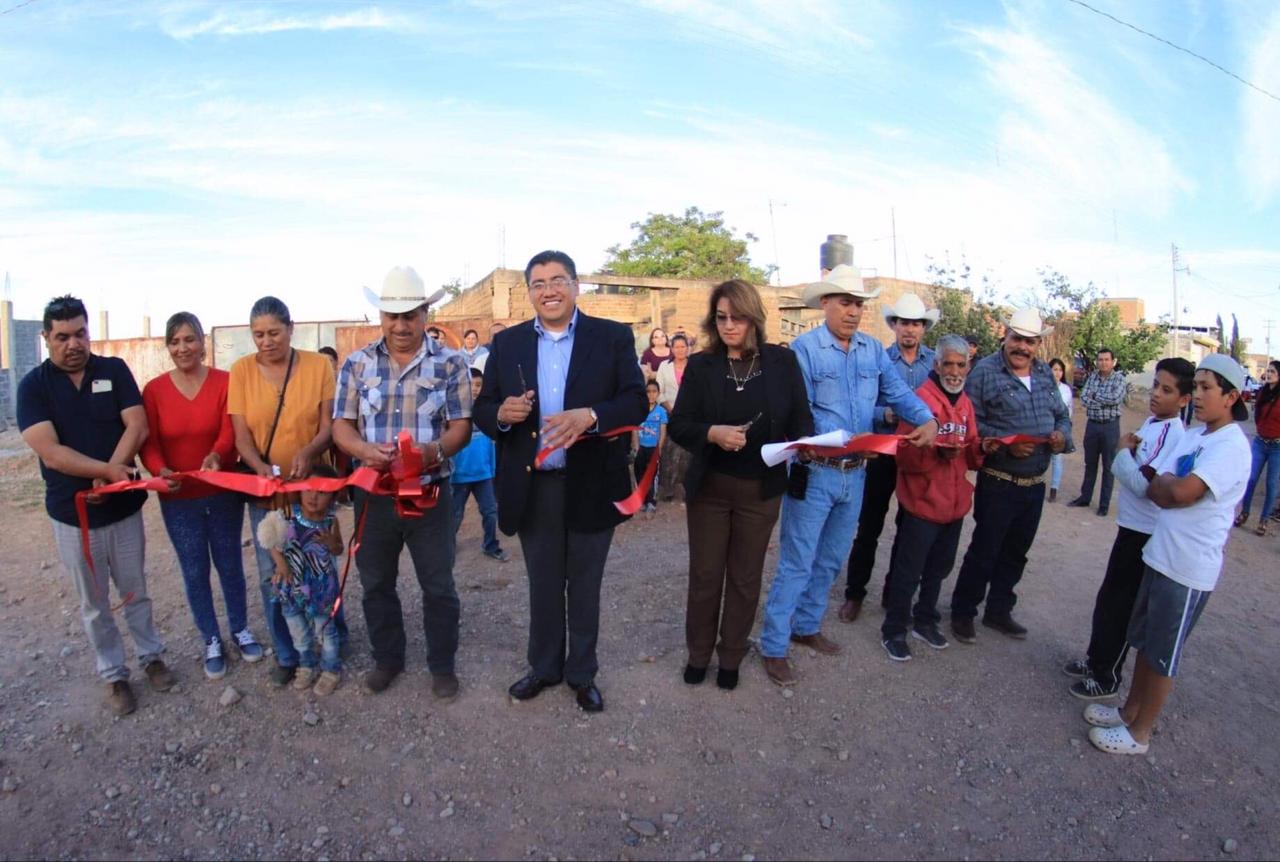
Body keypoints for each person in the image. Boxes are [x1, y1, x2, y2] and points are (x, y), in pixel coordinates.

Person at [473, 250, 647, 713]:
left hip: (592, 481)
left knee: (585, 584)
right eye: (538, 283)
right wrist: (503, 416)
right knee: (543, 583)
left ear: (575, 286)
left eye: (557, 280)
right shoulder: (507, 344)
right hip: (536, 487)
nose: (548, 290)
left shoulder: (611, 337)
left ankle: (582, 673)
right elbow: (483, 410)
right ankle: (545, 667)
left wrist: (591, 416)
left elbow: (635, 402)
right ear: (529, 292)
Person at [759, 265, 938, 686]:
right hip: (815, 470)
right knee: (797, 561)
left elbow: (895, 392)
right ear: (825, 304)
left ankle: (805, 626)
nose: (853, 311)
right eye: (845, 302)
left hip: (855, 473)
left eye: (859, 304)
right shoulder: (803, 349)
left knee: (831, 558)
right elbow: (792, 410)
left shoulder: (872, 351)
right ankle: (774, 644)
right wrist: (821, 436)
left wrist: (926, 418)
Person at [16, 295, 174, 717]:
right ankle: (114, 674)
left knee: (135, 590)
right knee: (94, 602)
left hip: (122, 510)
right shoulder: (34, 387)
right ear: (46, 338)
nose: (74, 343)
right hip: (74, 517)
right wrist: (106, 468)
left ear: (89, 333)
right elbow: (50, 451)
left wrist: (115, 470)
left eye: (80, 333)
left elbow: (137, 424)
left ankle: (151, 657)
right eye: (62, 336)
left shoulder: (113, 370)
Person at [1085, 355, 1250, 756]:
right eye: (1198, 387)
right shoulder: (1196, 437)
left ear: (1231, 397)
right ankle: (1128, 713)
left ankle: (1141, 732)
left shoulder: (1231, 447)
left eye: (1208, 388)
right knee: (1144, 641)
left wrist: (1168, 485)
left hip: (1188, 568)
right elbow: (1157, 487)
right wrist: (1167, 485)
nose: (1198, 396)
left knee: (1162, 653)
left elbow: (1175, 492)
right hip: (1160, 554)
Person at [333, 266, 470, 699]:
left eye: (410, 314)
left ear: (426, 313)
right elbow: (342, 426)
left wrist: (434, 452)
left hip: (430, 494)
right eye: (392, 315)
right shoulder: (356, 364)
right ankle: (387, 659)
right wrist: (363, 452)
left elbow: (461, 427)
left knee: (438, 583)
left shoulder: (451, 363)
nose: (401, 325)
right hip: (373, 495)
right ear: (380, 316)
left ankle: (442, 665)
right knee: (375, 583)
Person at [669, 280, 813, 690]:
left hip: (760, 491)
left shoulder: (781, 364)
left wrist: (806, 445)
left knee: (746, 578)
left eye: (738, 317)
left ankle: (731, 655)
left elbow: (802, 421)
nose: (729, 325)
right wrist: (712, 433)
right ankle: (699, 654)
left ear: (755, 317)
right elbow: (680, 424)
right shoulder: (702, 365)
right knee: (705, 575)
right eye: (721, 317)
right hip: (710, 489)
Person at [141, 311, 263, 679]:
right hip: (178, 498)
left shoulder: (226, 382)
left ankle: (240, 629)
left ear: (202, 343)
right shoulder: (155, 390)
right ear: (168, 347)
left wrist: (216, 456)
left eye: (189, 339)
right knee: (194, 569)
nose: (183, 347)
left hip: (222, 490)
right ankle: (210, 638)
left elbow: (230, 430)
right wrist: (159, 471)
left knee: (229, 563)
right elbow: (149, 443)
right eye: (175, 341)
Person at [1062, 357, 1193, 699]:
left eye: (1167, 390)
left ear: (1183, 399)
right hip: (1129, 527)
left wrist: (1121, 452)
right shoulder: (1151, 423)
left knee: (1123, 606)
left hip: (1145, 534)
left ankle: (1108, 676)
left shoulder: (1173, 434)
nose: (1156, 395)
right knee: (1108, 598)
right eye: (1155, 386)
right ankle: (1095, 658)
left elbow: (1142, 486)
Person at [228, 296, 336, 688]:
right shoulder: (240, 371)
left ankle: (330, 645)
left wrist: (308, 452)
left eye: (274, 332)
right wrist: (259, 468)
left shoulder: (318, 365)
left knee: (320, 563)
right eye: (258, 335)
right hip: (267, 491)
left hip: (312, 487)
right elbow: (241, 436)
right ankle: (288, 653)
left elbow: (329, 426)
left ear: (291, 328)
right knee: (273, 571)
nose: (266, 341)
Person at [949, 308, 1071, 644]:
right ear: (1006, 335)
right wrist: (1005, 446)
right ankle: (963, 612)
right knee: (985, 549)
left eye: (1030, 342)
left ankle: (999, 611)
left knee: (1017, 552)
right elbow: (970, 423)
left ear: (1037, 344)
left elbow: (1062, 416)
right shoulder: (985, 372)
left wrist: (1061, 436)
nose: (1023, 347)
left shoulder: (1046, 374)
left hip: (1034, 486)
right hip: (1000, 480)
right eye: (1017, 339)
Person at [880, 335, 983, 661]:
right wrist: (936, 453)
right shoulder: (919, 401)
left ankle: (925, 620)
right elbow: (904, 457)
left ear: (968, 366)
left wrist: (982, 449)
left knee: (939, 568)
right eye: (948, 364)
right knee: (908, 571)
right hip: (923, 504)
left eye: (960, 364)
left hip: (953, 506)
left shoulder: (965, 403)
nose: (954, 371)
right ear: (936, 364)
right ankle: (894, 629)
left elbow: (972, 450)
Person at [839, 293, 939, 623]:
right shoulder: (878, 360)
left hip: (918, 455)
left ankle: (892, 592)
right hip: (884, 453)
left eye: (915, 323)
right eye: (904, 322)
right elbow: (864, 406)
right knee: (869, 526)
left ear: (923, 327)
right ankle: (855, 593)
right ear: (894, 325)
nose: (909, 329)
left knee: (908, 527)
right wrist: (888, 415)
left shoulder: (934, 364)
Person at [258, 464, 345, 696]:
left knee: (326, 629)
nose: (313, 497)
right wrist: (281, 563)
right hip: (292, 588)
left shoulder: (330, 521)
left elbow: (339, 549)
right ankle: (306, 664)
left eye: (322, 492)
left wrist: (331, 543)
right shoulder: (288, 516)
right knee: (298, 630)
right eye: (308, 489)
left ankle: (331, 669)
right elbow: (271, 541)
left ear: (333, 495)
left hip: (321, 589)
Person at [451, 367, 509, 561]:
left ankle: (491, 545)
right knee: (455, 515)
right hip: (459, 474)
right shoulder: (456, 411)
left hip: (484, 473)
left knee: (490, 511)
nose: (475, 389)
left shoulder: (488, 411)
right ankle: (447, 547)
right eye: (471, 385)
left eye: (478, 385)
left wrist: (493, 469)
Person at [1068, 348, 1128, 516]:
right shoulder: (1092, 377)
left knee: (1108, 467)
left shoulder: (1119, 379)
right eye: (1100, 359)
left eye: (1106, 359)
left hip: (1110, 426)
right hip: (1092, 425)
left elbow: (1116, 399)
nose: (1103, 363)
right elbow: (1084, 398)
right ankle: (1085, 497)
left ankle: (1103, 505)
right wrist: (1100, 399)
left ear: (1113, 361)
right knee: (1090, 464)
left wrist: (1096, 397)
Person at [1234, 359, 1280, 536]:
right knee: (1251, 479)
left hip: (1277, 446)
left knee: (1271, 484)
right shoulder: (1262, 393)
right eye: (1268, 371)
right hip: (1260, 442)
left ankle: (1264, 520)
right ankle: (1244, 513)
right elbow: (1258, 415)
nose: (1268, 374)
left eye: (1272, 372)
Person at [656, 333, 692, 501]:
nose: (680, 350)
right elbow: (658, 392)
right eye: (676, 347)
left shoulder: (694, 366)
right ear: (672, 348)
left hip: (691, 415)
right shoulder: (664, 366)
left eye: (683, 347)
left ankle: (687, 487)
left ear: (688, 348)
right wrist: (671, 409)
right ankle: (668, 488)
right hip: (669, 413)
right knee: (669, 450)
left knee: (688, 452)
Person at [631, 380, 667, 514]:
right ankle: (642, 500)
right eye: (648, 392)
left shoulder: (661, 411)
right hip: (641, 448)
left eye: (654, 392)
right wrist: (636, 447)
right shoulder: (639, 410)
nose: (651, 395)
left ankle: (651, 501)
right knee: (639, 473)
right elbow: (634, 430)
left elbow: (663, 432)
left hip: (653, 448)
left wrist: (659, 448)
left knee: (652, 475)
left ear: (658, 394)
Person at [1047, 358, 1073, 502]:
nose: (1057, 373)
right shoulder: (1043, 387)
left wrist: (1064, 429)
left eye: (1059, 370)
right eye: (1054, 369)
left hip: (1059, 427)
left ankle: (1054, 488)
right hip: (1045, 426)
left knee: (1057, 458)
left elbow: (1068, 411)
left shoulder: (1065, 389)